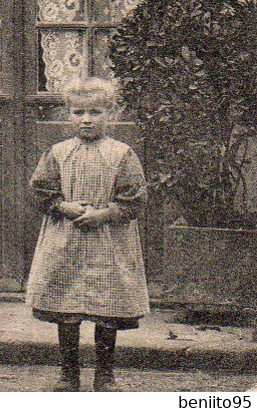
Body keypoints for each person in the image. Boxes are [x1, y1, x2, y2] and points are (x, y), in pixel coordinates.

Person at [26, 77, 149, 392]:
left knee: (106, 308)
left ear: (110, 113)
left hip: (108, 242)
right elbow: (41, 189)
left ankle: (104, 374)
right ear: (68, 113)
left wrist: (104, 214)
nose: (87, 119)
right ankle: (69, 373)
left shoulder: (122, 154)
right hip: (66, 241)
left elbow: (134, 199)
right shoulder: (59, 152)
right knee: (68, 307)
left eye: (95, 112)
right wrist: (62, 206)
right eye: (78, 112)